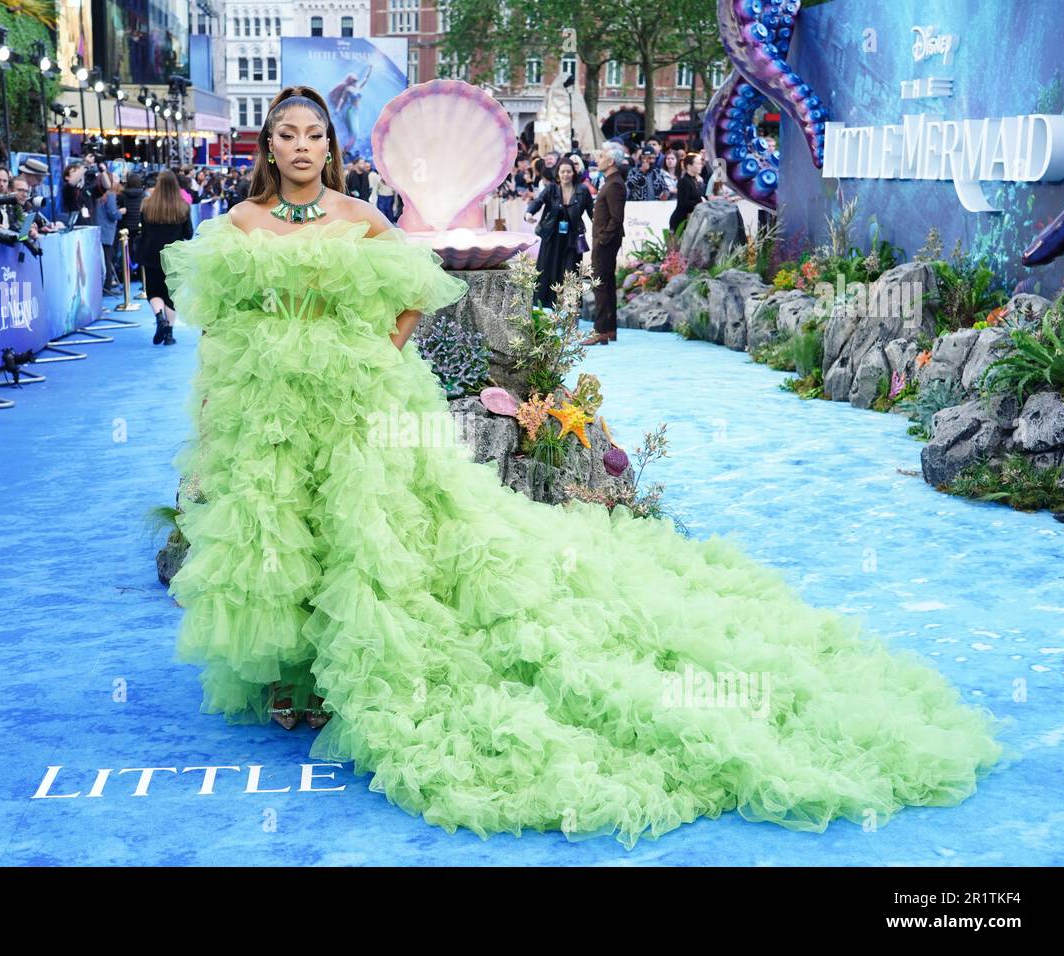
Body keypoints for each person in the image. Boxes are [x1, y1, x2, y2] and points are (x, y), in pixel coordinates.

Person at [157, 83, 1005, 849]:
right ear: (267, 147)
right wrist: (217, 404)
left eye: (313, 135)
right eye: (285, 135)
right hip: (268, 406)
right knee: (277, 528)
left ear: (329, 148)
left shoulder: (357, 216)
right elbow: (221, 328)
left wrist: (378, 347)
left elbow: (417, 282)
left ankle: (345, 673)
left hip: (357, 400)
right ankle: (291, 674)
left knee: (365, 532)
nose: (300, 147)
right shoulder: (235, 229)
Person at [524, 160, 593, 309]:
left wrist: (602, 228)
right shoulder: (551, 189)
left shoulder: (583, 190)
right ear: (558, 174)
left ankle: (570, 307)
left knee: (571, 271)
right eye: (563, 171)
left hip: (573, 237)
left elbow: (592, 212)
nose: (566, 174)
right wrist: (529, 213)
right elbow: (538, 201)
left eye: (568, 171)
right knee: (548, 270)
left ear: (573, 173)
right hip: (552, 236)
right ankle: (545, 306)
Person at [136, 169, 193, 346]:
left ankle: (160, 318)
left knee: (153, 291)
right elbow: (188, 234)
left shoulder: (146, 204)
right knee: (171, 295)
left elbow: (143, 231)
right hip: (174, 256)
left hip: (150, 254)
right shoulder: (183, 206)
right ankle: (169, 334)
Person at [582, 142, 626, 347]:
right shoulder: (611, 181)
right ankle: (608, 329)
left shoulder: (615, 184)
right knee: (605, 285)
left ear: (610, 162)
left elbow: (616, 218)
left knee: (600, 284)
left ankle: (601, 330)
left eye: (601, 158)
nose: (597, 161)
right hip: (605, 241)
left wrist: (602, 239)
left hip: (605, 242)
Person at [95, 172, 125, 295]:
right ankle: (107, 286)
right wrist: (121, 212)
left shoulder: (97, 195)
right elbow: (112, 213)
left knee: (103, 259)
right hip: (107, 230)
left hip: (98, 229)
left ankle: (105, 286)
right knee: (107, 259)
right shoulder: (110, 195)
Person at [669, 151, 706, 237]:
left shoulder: (695, 181)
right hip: (680, 222)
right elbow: (683, 203)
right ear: (689, 166)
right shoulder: (683, 181)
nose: (701, 165)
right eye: (698, 164)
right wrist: (700, 200)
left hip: (691, 220)